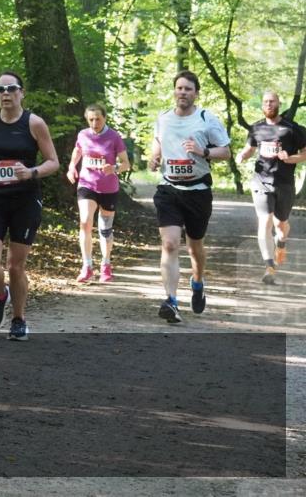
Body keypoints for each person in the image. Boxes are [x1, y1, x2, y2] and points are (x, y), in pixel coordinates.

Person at [0, 71, 59, 341]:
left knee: (16, 266)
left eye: (11, 89)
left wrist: (30, 172)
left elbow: (53, 162)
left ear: (22, 92)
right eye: (0, 89)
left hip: (25, 201)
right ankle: (0, 294)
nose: (5, 94)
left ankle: (18, 319)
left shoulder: (35, 123)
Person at [148, 70, 231, 323]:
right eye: (179, 88)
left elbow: (226, 152)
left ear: (196, 93)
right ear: (174, 91)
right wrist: (154, 157)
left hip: (198, 192)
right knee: (170, 244)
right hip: (169, 189)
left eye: (188, 89)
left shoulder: (206, 119)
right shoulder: (163, 118)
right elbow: (158, 143)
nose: (183, 92)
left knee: (195, 247)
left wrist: (203, 150)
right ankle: (171, 301)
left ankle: (197, 282)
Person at [237, 91, 306, 283]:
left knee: (280, 225)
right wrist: (242, 156)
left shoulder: (292, 129)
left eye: (272, 101)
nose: (268, 104)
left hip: (284, 182)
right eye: (265, 101)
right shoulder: (256, 127)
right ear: (262, 105)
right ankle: (269, 267)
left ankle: (281, 243)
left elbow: (305, 153)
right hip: (261, 180)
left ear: (278, 103)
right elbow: (250, 148)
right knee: (265, 220)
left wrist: (290, 158)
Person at [66, 103, 130, 283]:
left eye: (98, 119)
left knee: (105, 228)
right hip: (87, 184)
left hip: (108, 188)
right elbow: (77, 151)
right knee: (85, 221)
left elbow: (126, 163)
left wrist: (115, 168)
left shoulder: (114, 136)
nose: (94, 123)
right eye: (91, 119)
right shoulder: (83, 135)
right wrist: (72, 167)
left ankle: (106, 265)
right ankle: (86, 266)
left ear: (105, 118)